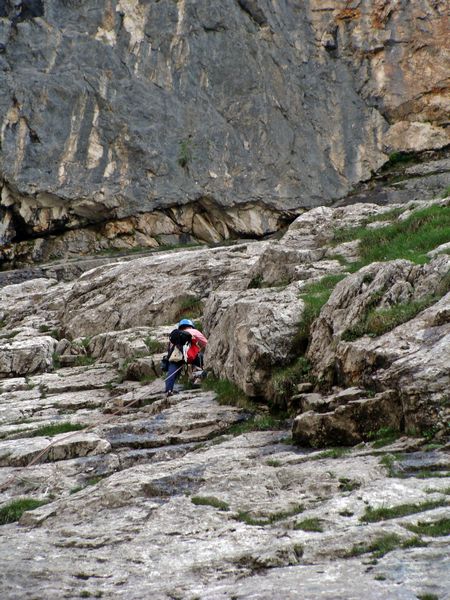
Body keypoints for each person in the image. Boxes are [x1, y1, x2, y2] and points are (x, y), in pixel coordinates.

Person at [164, 318, 208, 397]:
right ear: (191, 326)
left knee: (171, 374)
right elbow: (206, 343)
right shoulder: (194, 331)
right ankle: (202, 378)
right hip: (191, 356)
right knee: (207, 363)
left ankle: (169, 390)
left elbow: (169, 350)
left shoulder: (175, 336)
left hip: (176, 357)